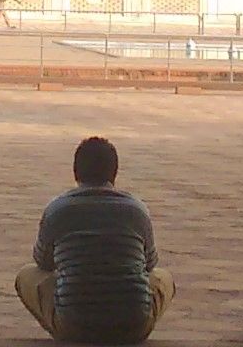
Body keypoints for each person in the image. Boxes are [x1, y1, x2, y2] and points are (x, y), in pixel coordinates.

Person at [16, 136, 172, 344]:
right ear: (114, 173)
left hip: (75, 326)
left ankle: (69, 316)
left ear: (76, 171)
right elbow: (150, 263)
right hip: (134, 325)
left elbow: (42, 262)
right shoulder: (137, 210)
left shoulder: (57, 209)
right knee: (163, 277)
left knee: (27, 275)